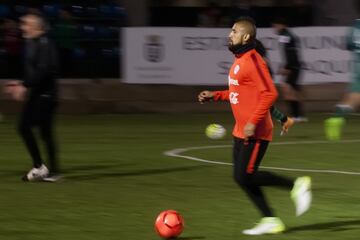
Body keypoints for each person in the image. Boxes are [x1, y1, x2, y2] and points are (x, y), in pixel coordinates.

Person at [198, 17, 311, 235]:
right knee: (242, 177)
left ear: (246, 36)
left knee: (244, 176)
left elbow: (270, 93)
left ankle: (295, 185)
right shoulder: (238, 61)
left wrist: (252, 122)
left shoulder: (253, 60)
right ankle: (270, 219)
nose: (230, 34)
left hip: (256, 132)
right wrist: (215, 95)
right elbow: (238, 93)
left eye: (234, 31)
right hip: (240, 131)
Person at [14, 12, 60, 182]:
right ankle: (52, 172)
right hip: (40, 94)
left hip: (46, 96)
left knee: (24, 126)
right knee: (45, 134)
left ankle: (40, 167)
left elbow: (45, 70)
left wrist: (24, 85)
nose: (22, 27)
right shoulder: (33, 43)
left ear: (37, 27)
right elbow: (34, 71)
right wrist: (22, 83)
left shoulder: (45, 43)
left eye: (25, 24)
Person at [325, 0, 360, 140]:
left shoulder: (354, 27)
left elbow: (349, 45)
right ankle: (336, 118)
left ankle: (336, 118)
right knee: (355, 99)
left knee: (353, 98)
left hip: (357, 66)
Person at [272, 17, 307, 122]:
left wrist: (288, 67)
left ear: (282, 25)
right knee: (291, 90)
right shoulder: (287, 35)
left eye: (275, 25)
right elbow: (290, 53)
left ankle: (296, 116)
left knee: (287, 90)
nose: (274, 28)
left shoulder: (286, 36)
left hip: (294, 66)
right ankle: (298, 115)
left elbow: (291, 54)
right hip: (295, 66)